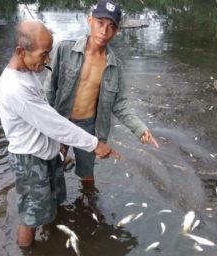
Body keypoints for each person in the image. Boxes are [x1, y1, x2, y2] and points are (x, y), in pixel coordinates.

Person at [0, 19, 119, 248]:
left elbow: (47, 117)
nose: (48, 60)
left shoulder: (25, 72)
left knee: (52, 203)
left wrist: (57, 147)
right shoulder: (15, 89)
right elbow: (55, 124)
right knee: (30, 216)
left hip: (45, 155)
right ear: (20, 51)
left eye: (49, 54)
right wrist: (95, 144)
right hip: (30, 160)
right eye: (43, 55)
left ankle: (53, 235)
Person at [44, 0, 159, 188]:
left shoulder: (115, 67)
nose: (104, 31)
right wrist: (45, 128)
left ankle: (88, 206)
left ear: (116, 31)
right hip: (61, 121)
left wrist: (140, 129)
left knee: (87, 175)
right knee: (52, 169)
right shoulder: (64, 49)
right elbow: (48, 91)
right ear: (90, 20)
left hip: (88, 128)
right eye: (100, 23)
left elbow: (119, 105)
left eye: (111, 26)